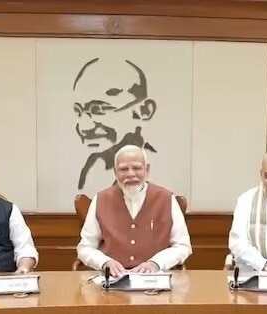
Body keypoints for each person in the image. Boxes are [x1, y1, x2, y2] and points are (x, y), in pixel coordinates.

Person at [77, 144, 191, 276]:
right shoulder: (101, 199)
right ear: (115, 172)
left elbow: (182, 246)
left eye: (136, 168)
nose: (130, 174)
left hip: (155, 278)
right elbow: (85, 247)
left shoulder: (166, 199)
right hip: (113, 280)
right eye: (123, 169)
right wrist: (105, 262)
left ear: (147, 169)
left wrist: (156, 263)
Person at [73, 58, 158, 192]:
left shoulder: (161, 169)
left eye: (99, 109)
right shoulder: (90, 166)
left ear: (144, 110)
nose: (84, 127)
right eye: (78, 111)